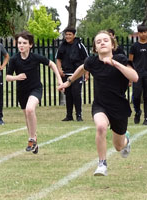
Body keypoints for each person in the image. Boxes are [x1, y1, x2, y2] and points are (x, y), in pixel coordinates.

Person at [58, 30, 138, 176]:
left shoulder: (120, 58)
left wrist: (115, 64)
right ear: (95, 47)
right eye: (98, 41)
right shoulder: (92, 61)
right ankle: (102, 164)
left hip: (119, 107)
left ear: (112, 44)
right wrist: (68, 82)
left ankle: (126, 140)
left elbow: (135, 77)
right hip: (100, 104)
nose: (102, 43)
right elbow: (82, 68)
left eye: (105, 40)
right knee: (101, 127)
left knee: (119, 146)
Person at [7, 31, 63, 153]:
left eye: (24, 43)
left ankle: (31, 138)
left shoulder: (36, 57)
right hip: (22, 91)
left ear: (30, 45)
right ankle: (34, 140)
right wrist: (17, 77)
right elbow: (7, 77)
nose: (21, 45)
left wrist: (59, 80)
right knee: (27, 116)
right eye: (19, 43)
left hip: (35, 89)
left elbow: (52, 64)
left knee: (30, 109)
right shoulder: (14, 59)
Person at [56, 27, 89, 121]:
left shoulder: (80, 45)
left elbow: (87, 60)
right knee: (68, 94)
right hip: (66, 73)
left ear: (74, 35)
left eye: (70, 34)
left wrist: (86, 73)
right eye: (66, 34)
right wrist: (59, 69)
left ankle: (79, 115)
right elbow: (58, 59)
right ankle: (69, 115)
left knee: (76, 94)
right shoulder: (62, 46)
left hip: (77, 74)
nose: (67, 36)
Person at [129, 25, 147, 125]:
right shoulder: (134, 46)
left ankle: (146, 118)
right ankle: (137, 112)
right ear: (138, 33)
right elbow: (130, 61)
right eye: (141, 32)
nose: (143, 34)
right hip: (137, 74)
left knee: (146, 97)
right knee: (136, 96)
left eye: (145, 32)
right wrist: (130, 77)